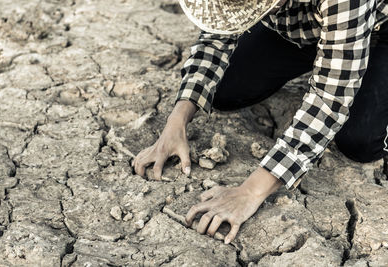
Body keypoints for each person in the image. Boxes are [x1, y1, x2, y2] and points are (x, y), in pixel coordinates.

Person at [133, 0, 388, 244]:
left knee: (360, 141)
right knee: (222, 90)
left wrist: (251, 191)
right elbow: (217, 33)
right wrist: (176, 121)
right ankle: (326, 53)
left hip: (377, 28)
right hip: (303, 25)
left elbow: (330, 98)